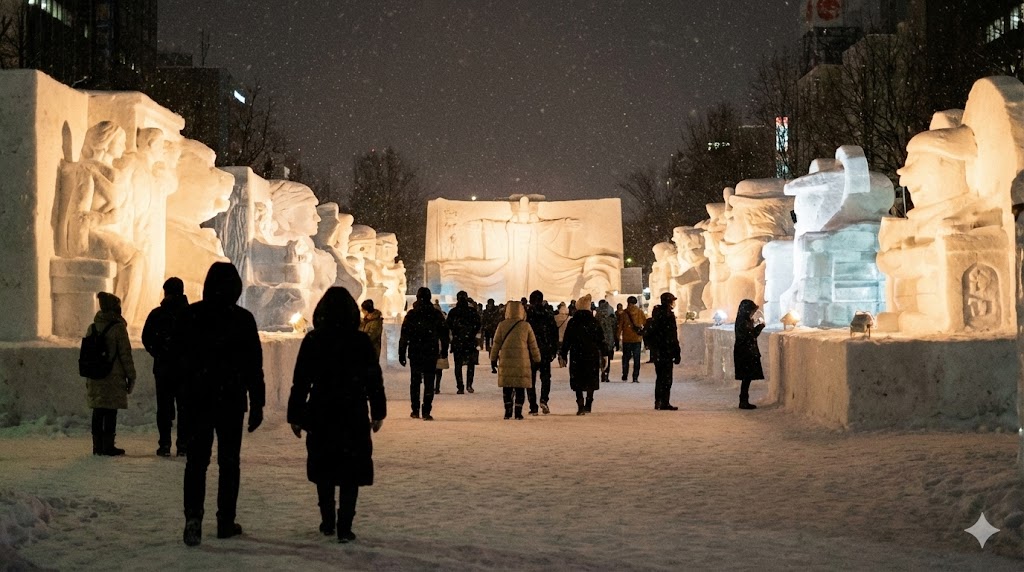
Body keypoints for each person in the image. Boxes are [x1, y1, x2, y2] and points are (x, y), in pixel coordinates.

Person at [176, 262, 265, 547]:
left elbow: (179, 359)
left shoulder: (191, 316)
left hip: (198, 399)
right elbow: (254, 366)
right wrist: (257, 403)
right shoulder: (242, 319)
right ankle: (225, 520)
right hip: (231, 400)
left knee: (196, 462)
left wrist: (183, 396)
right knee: (229, 463)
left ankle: (193, 518)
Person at [288, 287, 387, 543]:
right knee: (350, 471)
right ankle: (345, 525)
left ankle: (327, 520)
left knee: (325, 467)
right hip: (353, 411)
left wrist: (295, 414)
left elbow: (301, 381)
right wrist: (378, 411)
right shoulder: (360, 342)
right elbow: (373, 380)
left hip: (321, 410)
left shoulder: (314, 340)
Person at [142, 277, 190, 457]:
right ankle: (183, 445)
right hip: (186, 370)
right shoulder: (191, 315)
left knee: (164, 408)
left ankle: (164, 444)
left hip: (164, 369)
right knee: (185, 409)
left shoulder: (157, 314)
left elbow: (146, 338)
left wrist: (158, 352)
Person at [86, 292, 136, 456]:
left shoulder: (92, 327)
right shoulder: (118, 328)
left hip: (95, 375)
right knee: (110, 411)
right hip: (113, 376)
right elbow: (125, 355)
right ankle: (108, 446)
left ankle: (97, 446)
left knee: (98, 411)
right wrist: (131, 375)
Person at [398, 287, 448, 420]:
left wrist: (401, 352)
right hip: (430, 351)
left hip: (415, 351)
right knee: (429, 381)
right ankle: (426, 410)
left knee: (415, 381)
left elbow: (404, 335)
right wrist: (444, 350)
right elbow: (444, 334)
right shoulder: (435, 314)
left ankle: (415, 409)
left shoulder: (412, 314)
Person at [489, 300, 541, 419]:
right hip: (522, 361)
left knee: (507, 386)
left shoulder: (502, 325)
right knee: (519, 386)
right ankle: (518, 411)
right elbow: (533, 345)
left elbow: (496, 343)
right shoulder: (525, 326)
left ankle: (508, 410)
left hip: (506, 360)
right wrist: (537, 359)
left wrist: (493, 358)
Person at [559, 294, 606, 415]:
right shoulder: (594, 322)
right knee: (591, 378)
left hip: (577, 354)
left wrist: (563, 353)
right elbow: (601, 339)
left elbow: (567, 339)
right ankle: (589, 402)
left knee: (578, 380)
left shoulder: (573, 322)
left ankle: (580, 404)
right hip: (591, 354)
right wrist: (605, 353)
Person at [525, 290, 559, 415]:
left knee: (530, 379)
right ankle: (544, 399)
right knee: (545, 378)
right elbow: (554, 333)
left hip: (531, 350)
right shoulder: (548, 315)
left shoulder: (528, 315)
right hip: (545, 350)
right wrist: (553, 349)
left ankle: (533, 405)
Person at [646, 293, 681, 410]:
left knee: (660, 377)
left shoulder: (655, 315)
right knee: (666, 378)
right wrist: (676, 352)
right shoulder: (668, 316)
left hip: (658, 351)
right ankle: (664, 402)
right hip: (666, 350)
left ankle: (658, 401)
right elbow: (673, 336)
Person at [446, 291, 481, 394]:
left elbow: (448, 325)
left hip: (458, 341)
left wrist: (455, 333)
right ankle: (469, 384)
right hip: (470, 341)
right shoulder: (472, 311)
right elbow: (478, 324)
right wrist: (472, 333)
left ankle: (460, 386)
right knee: (470, 364)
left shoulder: (453, 312)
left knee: (458, 365)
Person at [734, 299, 766, 410]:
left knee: (746, 378)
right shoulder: (743, 322)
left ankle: (744, 400)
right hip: (745, 353)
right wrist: (760, 326)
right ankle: (743, 401)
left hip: (745, 352)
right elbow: (750, 336)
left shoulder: (743, 320)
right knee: (746, 378)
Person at [617, 296, 647, 383]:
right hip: (637, 338)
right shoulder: (640, 312)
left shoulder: (624, 313)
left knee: (626, 358)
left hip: (627, 339)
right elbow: (644, 322)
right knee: (637, 359)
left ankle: (625, 374)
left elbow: (620, 326)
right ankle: (635, 377)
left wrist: (618, 336)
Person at [596, 300, 617, 383]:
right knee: (607, 356)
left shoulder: (598, 314)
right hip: (609, 339)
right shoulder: (611, 313)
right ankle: (606, 373)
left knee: (600, 356)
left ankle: (601, 371)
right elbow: (614, 326)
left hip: (599, 339)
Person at [432, 300, 449, 393]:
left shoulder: (428, 319)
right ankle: (437, 386)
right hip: (439, 347)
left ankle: (431, 386)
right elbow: (445, 337)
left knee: (431, 368)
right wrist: (445, 350)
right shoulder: (442, 321)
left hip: (430, 347)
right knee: (439, 369)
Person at [553, 302, 570, 367]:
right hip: (565, 337)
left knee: (559, 348)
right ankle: (564, 360)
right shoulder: (569, 318)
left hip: (558, 336)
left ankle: (560, 357)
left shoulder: (556, 318)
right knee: (564, 350)